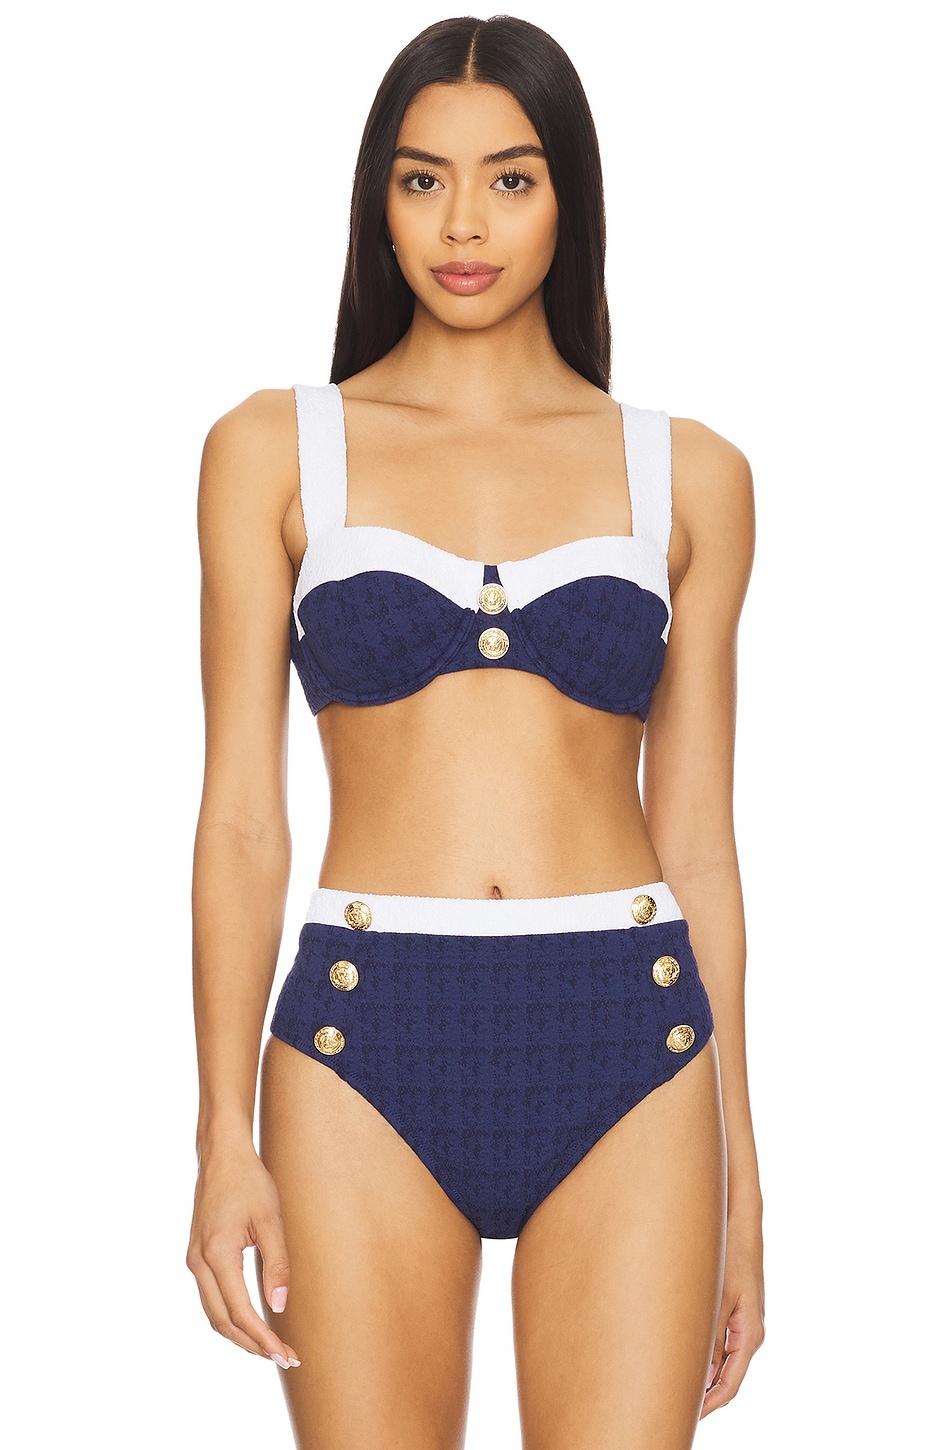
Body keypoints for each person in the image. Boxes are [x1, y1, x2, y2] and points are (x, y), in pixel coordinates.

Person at [186, 14, 765, 1448]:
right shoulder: (273, 449)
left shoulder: (690, 474)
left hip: (632, 1032)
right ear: (377, 202)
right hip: (361, 1035)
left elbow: (700, 839)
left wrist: (743, 1181)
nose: (462, 225)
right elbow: (242, 818)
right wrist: (217, 1136)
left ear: (569, 196)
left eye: (510, 179)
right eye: (421, 179)